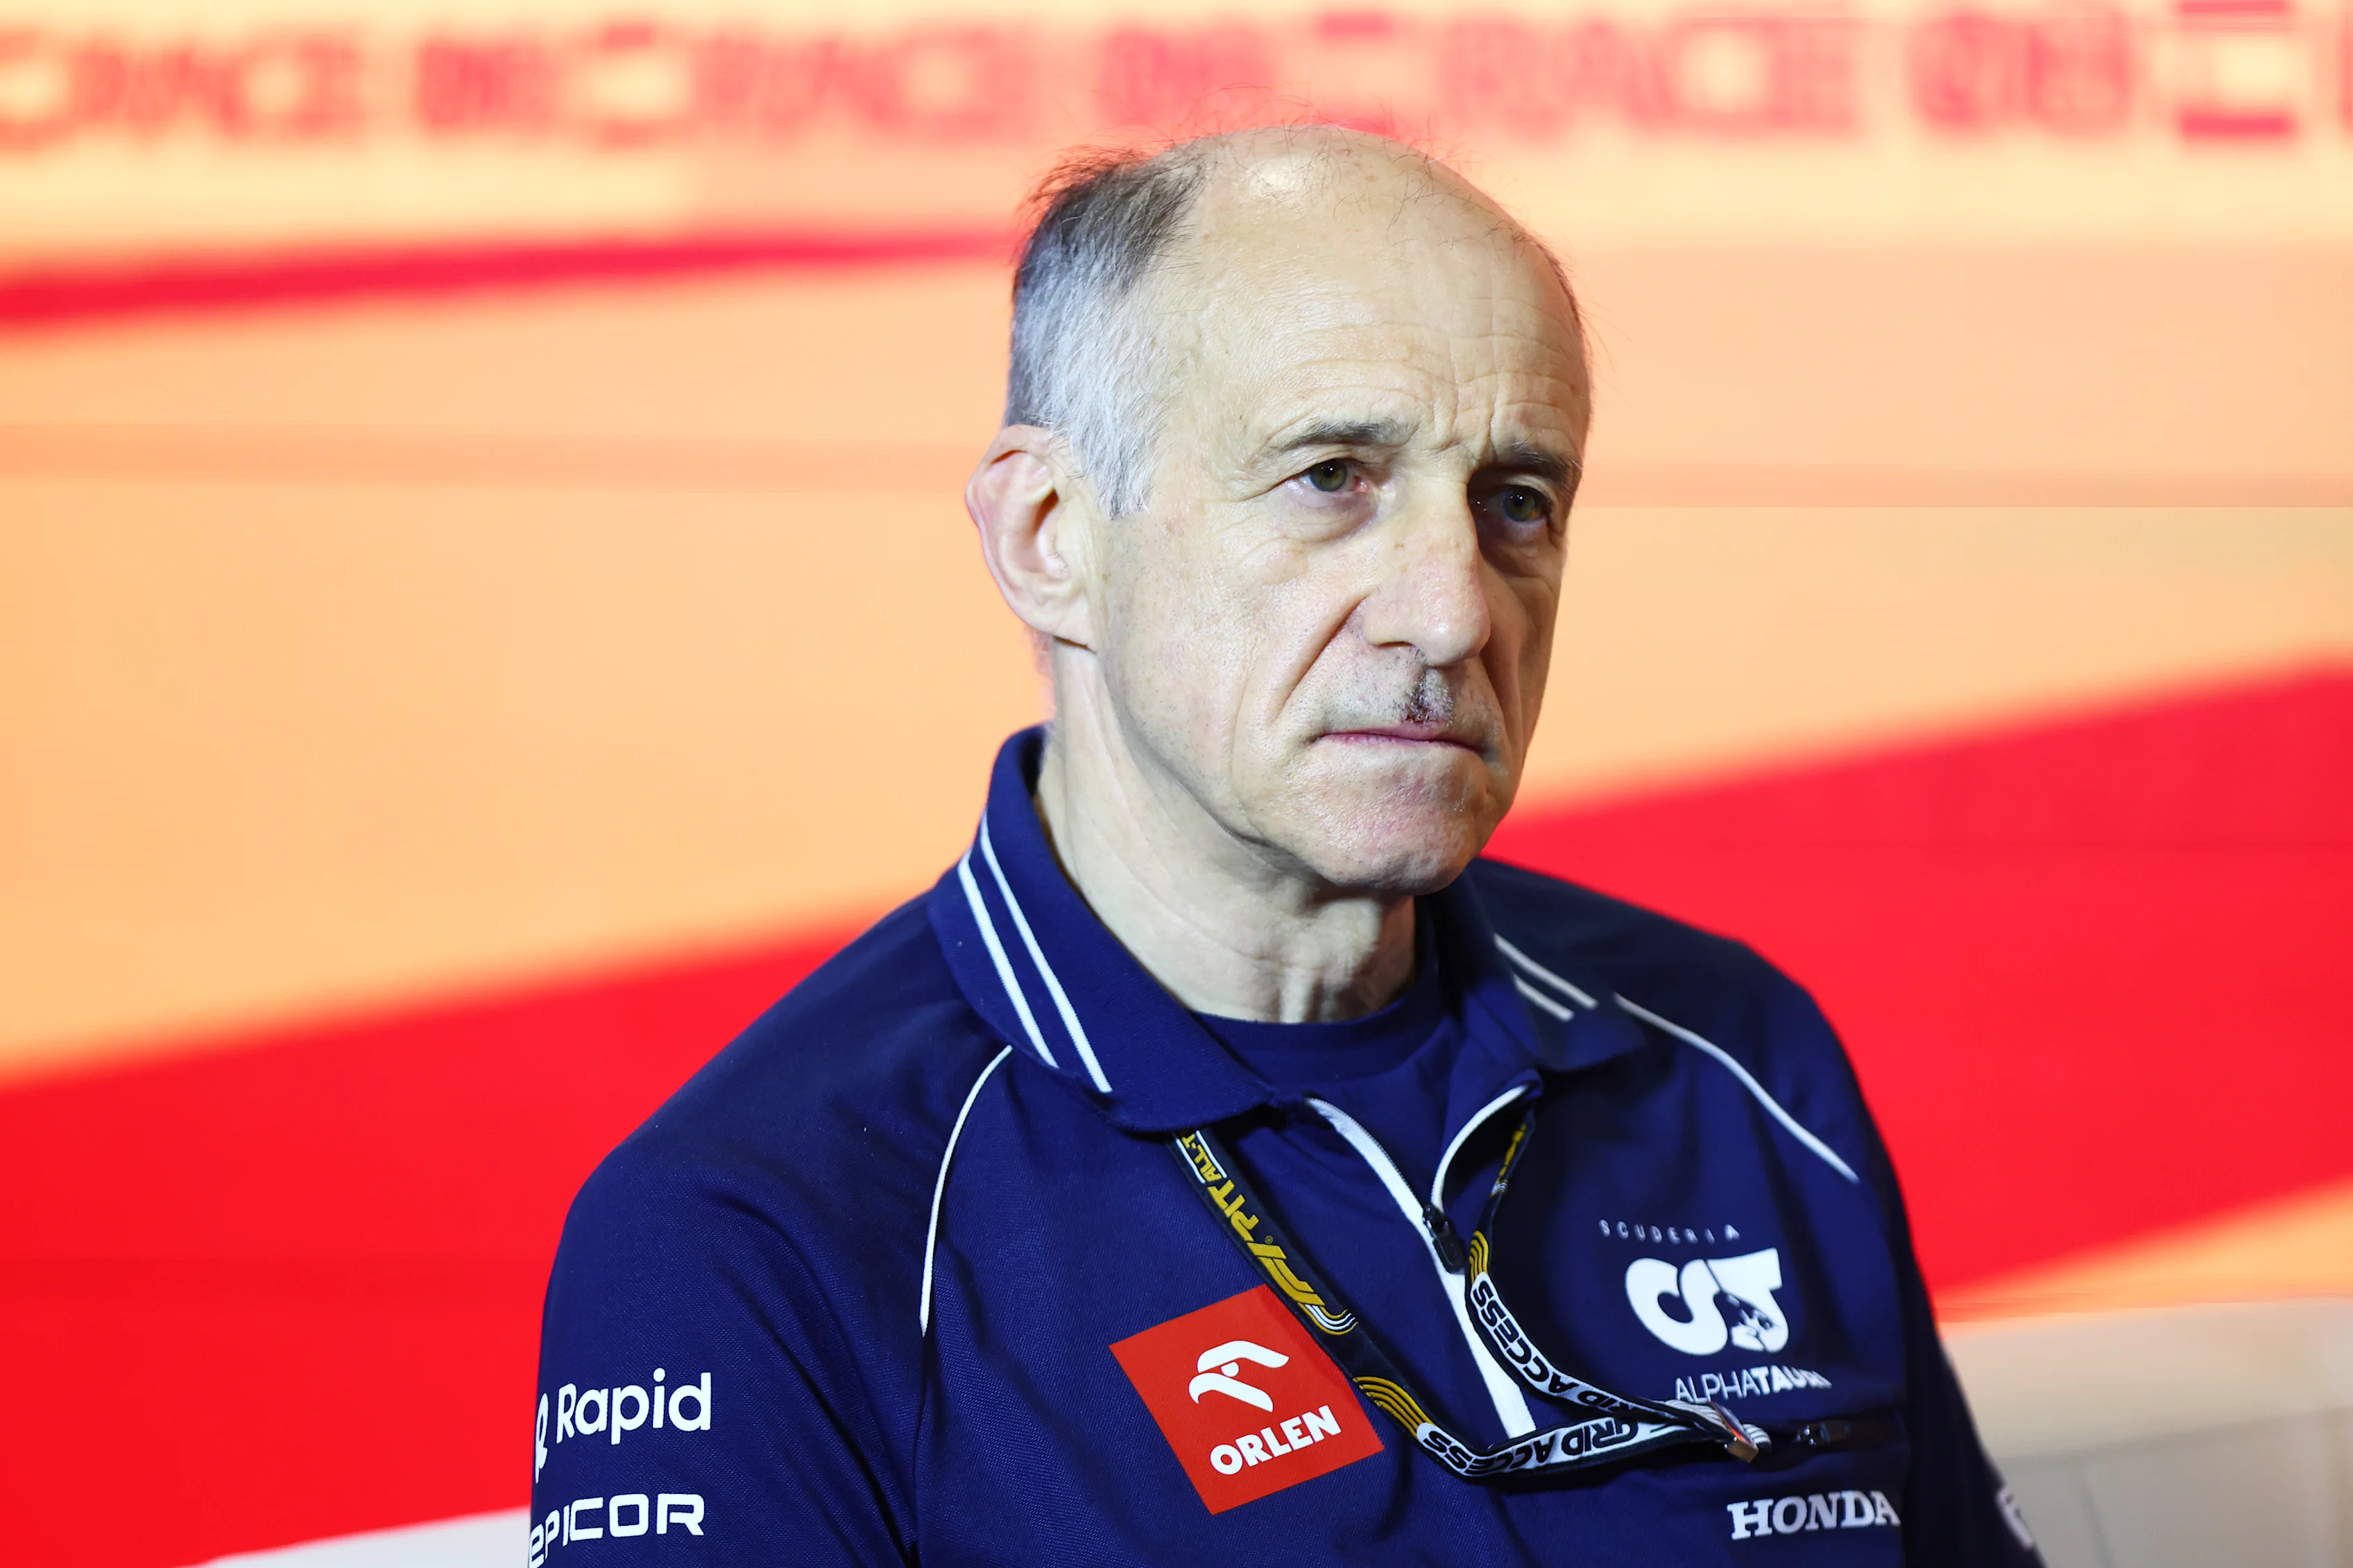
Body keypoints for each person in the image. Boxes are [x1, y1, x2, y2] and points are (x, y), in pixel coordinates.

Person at [528, 127, 2042, 1565]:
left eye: (1516, 499)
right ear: (1050, 533)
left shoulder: (1735, 1056)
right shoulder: (758, 1221)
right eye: (1332, 478)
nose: (1454, 612)